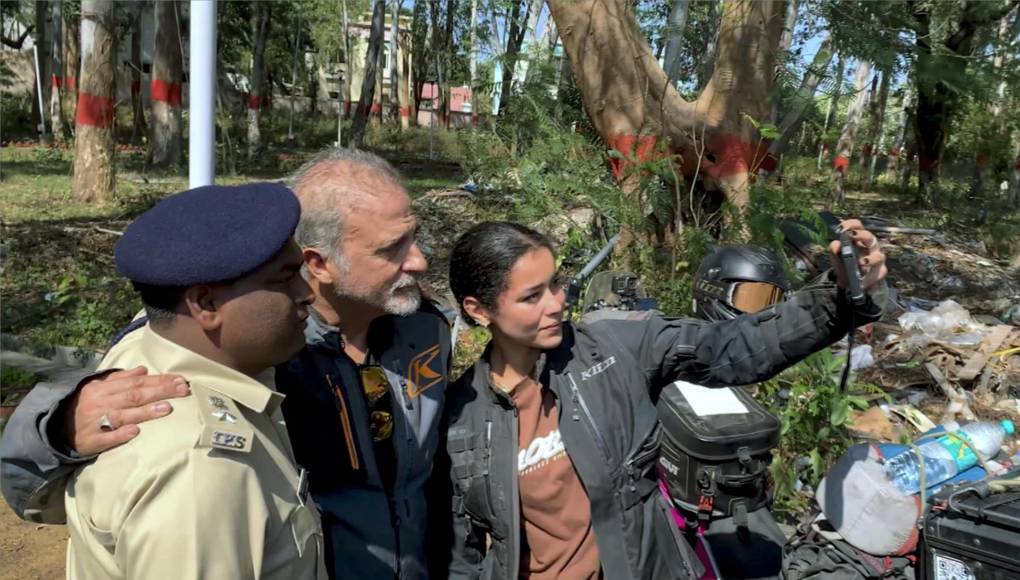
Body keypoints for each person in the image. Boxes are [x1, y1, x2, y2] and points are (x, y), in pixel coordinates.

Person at [0, 149, 451, 580]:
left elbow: (433, 480)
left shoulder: (423, 330)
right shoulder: (245, 352)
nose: (420, 260)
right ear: (319, 262)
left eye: (414, 237)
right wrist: (58, 428)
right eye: (392, 248)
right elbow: (50, 477)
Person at [432, 220, 887, 580]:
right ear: (478, 310)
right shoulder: (460, 421)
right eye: (532, 296)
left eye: (555, 284)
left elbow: (734, 346)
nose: (556, 304)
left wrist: (838, 298)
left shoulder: (615, 349)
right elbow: (459, 555)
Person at [61, 182, 326, 578]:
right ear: (205, 303)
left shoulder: (148, 347)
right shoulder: (201, 471)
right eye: (284, 278)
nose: (306, 293)